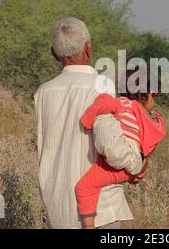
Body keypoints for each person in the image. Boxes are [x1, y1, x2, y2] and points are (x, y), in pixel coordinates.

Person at [34, 17, 147, 229]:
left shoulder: (43, 92)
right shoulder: (101, 86)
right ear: (88, 48)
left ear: (53, 53)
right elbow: (110, 145)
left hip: (56, 210)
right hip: (99, 212)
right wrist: (136, 166)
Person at [75, 70, 165, 229]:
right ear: (150, 94)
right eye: (156, 96)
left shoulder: (122, 103)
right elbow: (149, 144)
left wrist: (86, 121)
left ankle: (89, 226)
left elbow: (102, 104)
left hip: (114, 166)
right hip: (131, 167)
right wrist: (140, 166)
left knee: (85, 187)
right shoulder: (148, 118)